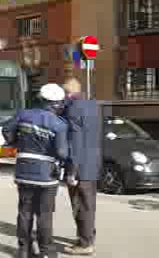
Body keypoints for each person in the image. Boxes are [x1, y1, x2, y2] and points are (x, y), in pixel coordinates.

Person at [2, 83, 69, 258]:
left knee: (25, 211)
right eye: (61, 103)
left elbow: (6, 130)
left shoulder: (23, 114)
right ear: (55, 103)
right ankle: (46, 252)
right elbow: (62, 153)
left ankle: (24, 250)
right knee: (44, 215)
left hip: (23, 172)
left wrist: (16, 143)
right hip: (46, 175)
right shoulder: (59, 124)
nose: (61, 106)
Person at [61, 77, 100, 256]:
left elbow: (75, 142)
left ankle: (85, 244)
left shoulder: (73, 109)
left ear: (68, 93)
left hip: (80, 165)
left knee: (80, 205)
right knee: (89, 204)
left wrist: (72, 171)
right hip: (93, 162)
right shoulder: (94, 105)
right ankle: (87, 237)